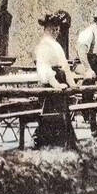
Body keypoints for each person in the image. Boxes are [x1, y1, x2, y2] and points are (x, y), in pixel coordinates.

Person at [34, 12, 77, 147]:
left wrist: (72, 83)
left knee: (63, 112)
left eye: (57, 29)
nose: (55, 32)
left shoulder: (56, 45)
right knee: (51, 114)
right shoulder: (43, 45)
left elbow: (65, 66)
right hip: (50, 84)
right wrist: (55, 84)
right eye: (52, 29)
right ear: (46, 29)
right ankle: (46, 142)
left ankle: (63, 142)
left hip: (60, 79)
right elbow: (44, 68)